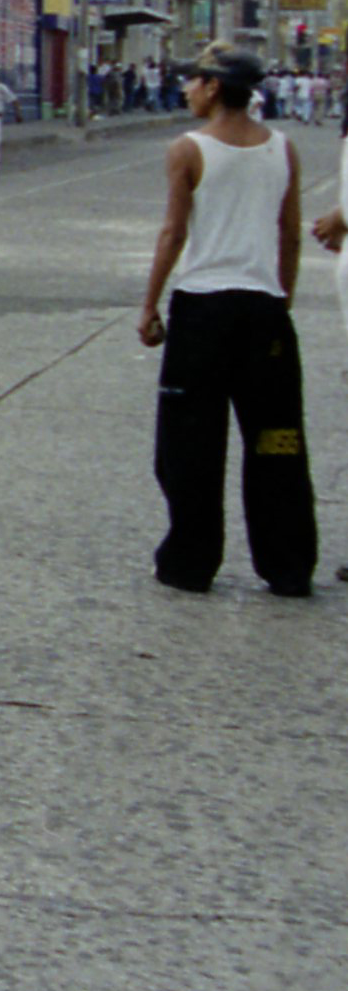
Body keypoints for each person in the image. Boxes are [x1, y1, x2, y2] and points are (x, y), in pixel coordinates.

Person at [137, 44, 316, 598]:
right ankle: (287, 567)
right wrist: (279, 300)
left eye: (193, 80)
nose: (187, 89)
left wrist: (150, 304)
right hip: (263, 311)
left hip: (203, 311)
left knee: (189, 443)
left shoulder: (187, 149)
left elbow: (174, 232)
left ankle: (190, 563)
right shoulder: (283, 149)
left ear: (214, 87)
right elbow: (289, 233)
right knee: (276, 441)